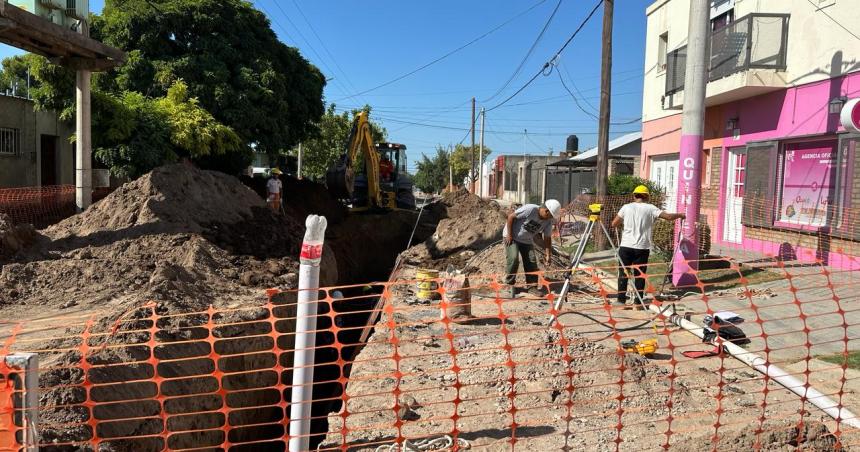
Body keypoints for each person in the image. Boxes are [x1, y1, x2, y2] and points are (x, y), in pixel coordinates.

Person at [610, 185, 685, 308]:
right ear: (647, 196)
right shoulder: (651, 208)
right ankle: (638, 301)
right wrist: (680, 215)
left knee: (623, 272)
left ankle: (620, 300)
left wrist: (625, 224)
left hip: (626, 246)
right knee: (640, 274)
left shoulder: (626, 207)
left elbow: (614, 223)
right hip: (642, 247)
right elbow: (669, 217)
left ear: (634, 195)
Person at [502, 199, 561, 298]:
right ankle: (509, 284)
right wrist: (509, 235)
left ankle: (532, 287)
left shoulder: (548, 222)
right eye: (550, 215)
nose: (550, 218)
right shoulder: (530, 209)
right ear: (546, 211)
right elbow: (511, 217)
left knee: (531, 261)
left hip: (526, 240)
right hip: (511, 236)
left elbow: (547, 238)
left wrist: (548, 254)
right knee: (514, 258)